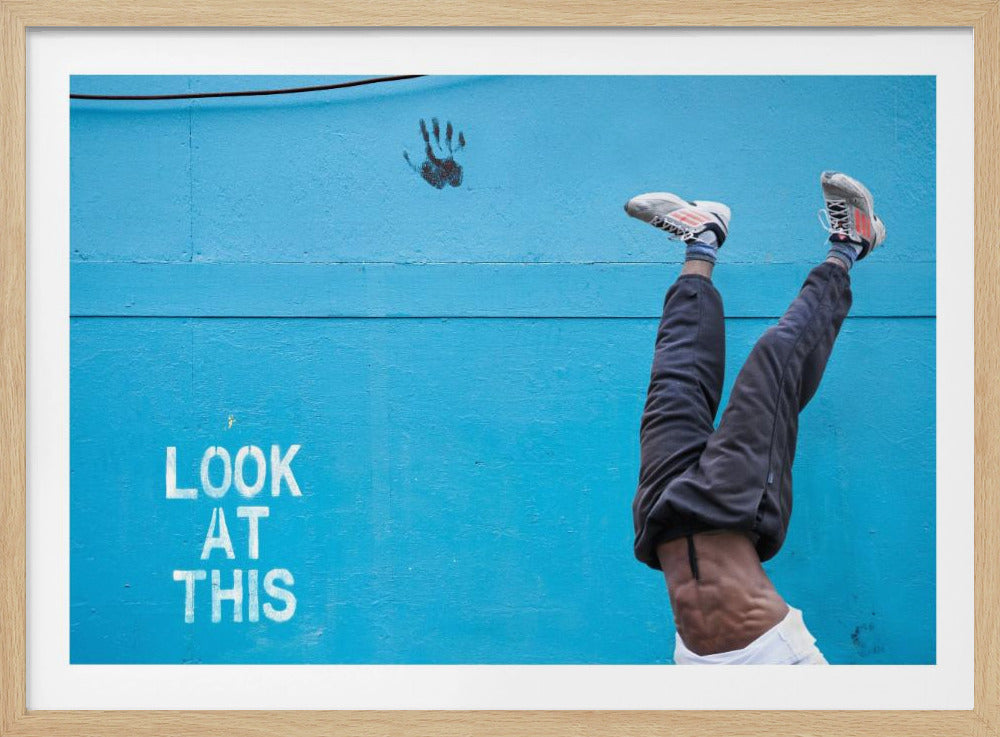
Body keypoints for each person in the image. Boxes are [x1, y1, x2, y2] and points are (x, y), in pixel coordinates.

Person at [626, 171, 886, 665]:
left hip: (758, 649)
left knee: (679, 384)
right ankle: (714, 236)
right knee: (742, 370)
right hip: (743, 652)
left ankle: (843, 244)